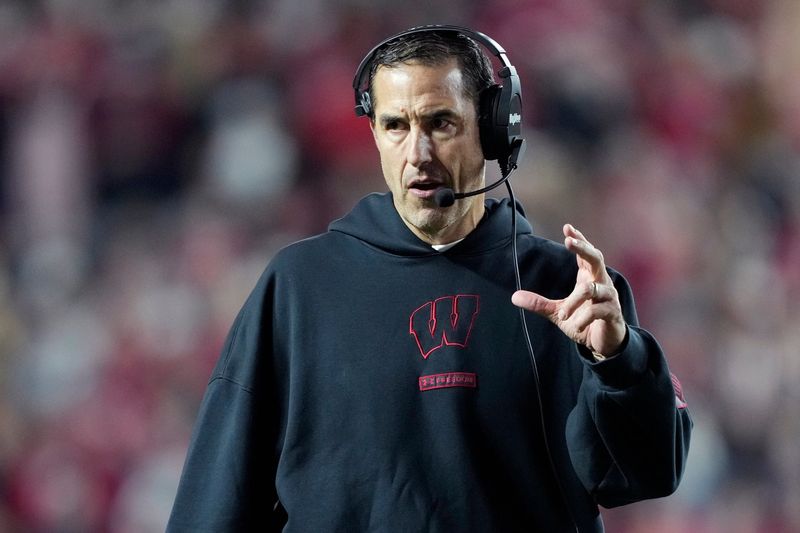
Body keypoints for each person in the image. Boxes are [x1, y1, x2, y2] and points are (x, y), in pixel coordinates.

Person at [167, 26, 691, 532]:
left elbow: (651, 475)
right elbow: (218, 502)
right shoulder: (298, 287)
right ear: (374, 134)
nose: (418, 153)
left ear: (493, 130)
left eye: (440, 123)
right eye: (396, 125)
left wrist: (619, 361)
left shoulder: (571, 290)